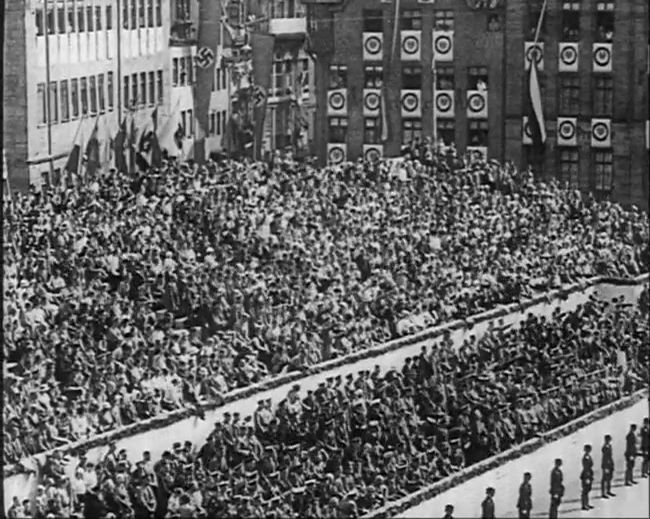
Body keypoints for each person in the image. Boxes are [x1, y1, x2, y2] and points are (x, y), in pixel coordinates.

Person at [580, 444, 594, 510]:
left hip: (588, 473)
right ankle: (584, 505)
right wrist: (587, 476)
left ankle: (586, 503)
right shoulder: (586, 457)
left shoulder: (588, 456)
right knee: (585, 491)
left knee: (587, 490)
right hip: (586, 474)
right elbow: (586, 467)